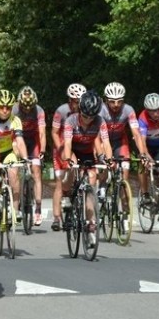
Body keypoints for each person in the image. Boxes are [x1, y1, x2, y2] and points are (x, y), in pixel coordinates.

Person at [61, 90, 113, 249]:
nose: (87, 121)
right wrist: (69, 160)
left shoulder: (100, 122)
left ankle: (90, 224)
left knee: (91, 181)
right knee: (71, 166)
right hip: (73, 150)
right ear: (80, 111)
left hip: (88, 151)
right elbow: (68, 145)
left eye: (91, 118)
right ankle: (67, 195)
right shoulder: (70, 121)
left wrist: (108, 161)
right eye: (85, 116)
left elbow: (106, 143)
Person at [50, 83, 86, 231]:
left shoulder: (86, 110)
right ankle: (57, 218)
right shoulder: (61, 111)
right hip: (62, 146)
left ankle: (76, 203)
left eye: (80, 101)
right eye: (75, 101)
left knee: (79, 173)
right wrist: (60, 148)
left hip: (77, 146)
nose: (78, 104)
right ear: (70, 100)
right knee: (59, 183)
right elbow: (53, 132)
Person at [0, 89, 29, 220]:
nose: (5, 110)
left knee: (14, 174)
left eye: (8, 107)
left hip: (7, 152)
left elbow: (19, 140)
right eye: (1, 107)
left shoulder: (15, 120)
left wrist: (25, 159)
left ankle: (15, 210)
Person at [100, 82, 147, 189]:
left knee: (123, 179)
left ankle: (124, 201)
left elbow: (136, 133)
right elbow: (97, 135)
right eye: (112, 101)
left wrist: (142, 153)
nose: (116, 105)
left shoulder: (128, 110)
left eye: (119, 101)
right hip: (103, 141)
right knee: (104, 169)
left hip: (120, 142)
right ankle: (102, 189)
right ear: (106, 100)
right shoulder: (100, 110)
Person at [12, 86, 47, 225]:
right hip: (18, 139)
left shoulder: (39, 110)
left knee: (36, 172)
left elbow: (42, 133)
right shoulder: (14, 109)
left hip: (33, 141)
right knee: (17, 168)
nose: (27, 110)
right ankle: (18, 201)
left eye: (29, 107)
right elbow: (10, 131)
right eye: (24, 107)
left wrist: (43, 150)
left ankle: (38, 209)